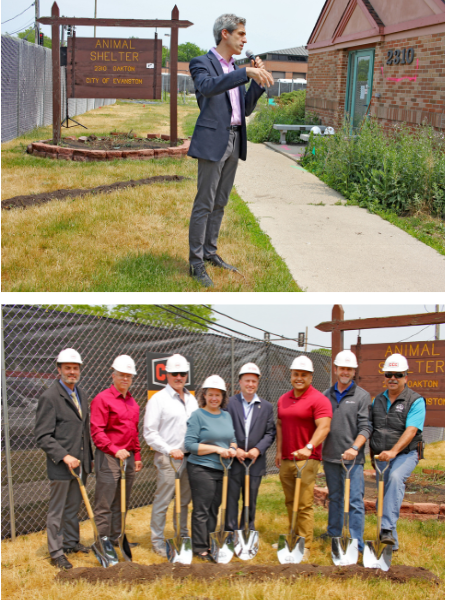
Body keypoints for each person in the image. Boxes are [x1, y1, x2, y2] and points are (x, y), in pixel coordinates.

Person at [187, 14, 274, 287]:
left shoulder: (236, 68)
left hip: (235, 140)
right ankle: (196, 263)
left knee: (221, 202)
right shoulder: (202, 63)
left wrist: (257, 83)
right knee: (204, 203)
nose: (245, 40)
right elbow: (207, 88)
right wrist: (245, 73)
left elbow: (244, 108)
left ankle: (210, 252)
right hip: (213, 142)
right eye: (240, 34)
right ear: (224, 34)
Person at [34, 349, 94, 570]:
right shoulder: (50, 397)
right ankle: (56, 551)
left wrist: (89, 457)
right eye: (67, 367)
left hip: (80, 465)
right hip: (61, 465)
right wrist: (64, 455)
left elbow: (83, 430)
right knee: (58, 510)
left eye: (75, 368)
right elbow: (42, 436)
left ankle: (70, 543)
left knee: (73, 507)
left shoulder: (82, 394)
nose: (72, 372)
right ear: (58, 370)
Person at [275, 356, 332, 558]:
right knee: (290, 501)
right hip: (287, 458)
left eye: (303, 375)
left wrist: (308, 447)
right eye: (296, 374)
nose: (299, 378)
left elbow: (324, 427)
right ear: (291, 375)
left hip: (307, 459)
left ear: (310, 377)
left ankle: (305, 545)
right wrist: (279, 451)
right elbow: (280, 425)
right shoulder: (283, 399)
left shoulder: (319, 400)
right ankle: (292, 537)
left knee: (304, 502)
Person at [143, 353, 199, 558]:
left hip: (188, 457)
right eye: (175, 373)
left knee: (184, 501)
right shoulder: (158, 399)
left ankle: (182, 537)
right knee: (163, 500)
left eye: (183, 373)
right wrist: (169, 450)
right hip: (168, 458)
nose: (179, 377)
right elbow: (149, 432)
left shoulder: (192, 399)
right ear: (167, 374)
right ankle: (157, 541)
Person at [370, 354, 426, 551]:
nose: (393, 378)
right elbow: (370, 427)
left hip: (406, 454)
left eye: (398, 374)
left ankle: (385, 529)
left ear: (406, 377)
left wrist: (394, 451)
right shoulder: (377, 400)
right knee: (383, 496)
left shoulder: (415, 401)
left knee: (394, 478)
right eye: (389, 374)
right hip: (380, 456)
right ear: (384, 376)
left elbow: (411, 430)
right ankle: (390, 544)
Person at [90, 355, 142, 547]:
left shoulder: (132, 402)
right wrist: (114, 449)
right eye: (121, 375)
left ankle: (117, 538)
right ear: (113, 376)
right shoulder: (102, 399)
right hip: (108, 456)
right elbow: (97, 431)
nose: (125, 379)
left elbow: (133, 431)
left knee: (122, 501)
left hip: (127, 457)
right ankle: (102, 542)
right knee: (105, 502)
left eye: (129, 376)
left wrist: (136, 455)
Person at [322, 351, 372, 554]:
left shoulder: (362, 396)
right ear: (335, 370)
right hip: (330, 456)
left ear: (353, 372)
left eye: (349, 369)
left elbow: (366, 427)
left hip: (353, 460)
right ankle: (334, 534)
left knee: (355, 501)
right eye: (342, 368)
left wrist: (354, 448)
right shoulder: (325, 395)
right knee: (334, 497)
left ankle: (356, 542)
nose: (345, 372)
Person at [184, 375, 237, 562]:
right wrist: (217, 449)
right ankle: (199, 548)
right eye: (211, 394)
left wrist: (232, 449)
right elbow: (190, 445)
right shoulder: (197, 416)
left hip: (222, 469)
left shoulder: (226, 415)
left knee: (215, 507)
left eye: (218, 395)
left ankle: (209, 542)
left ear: (223, 397)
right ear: (204, 395)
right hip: (201, 468)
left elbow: (232, 439)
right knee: (202, 509)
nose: (214, 398)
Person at [224, 363, 275, 534]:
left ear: (258, 383)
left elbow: (270, 433)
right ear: (240, 382)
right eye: (247, 381)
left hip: (255, 461)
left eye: (254, 381)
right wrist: (234, 448)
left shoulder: (266, 406)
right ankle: (230, 531)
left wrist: (258, 450)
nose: (250, 384)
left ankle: (246, 530)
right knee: (231, 498)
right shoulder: (229, 403)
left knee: (250, 498)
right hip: (233, 460)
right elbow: (222, 428)